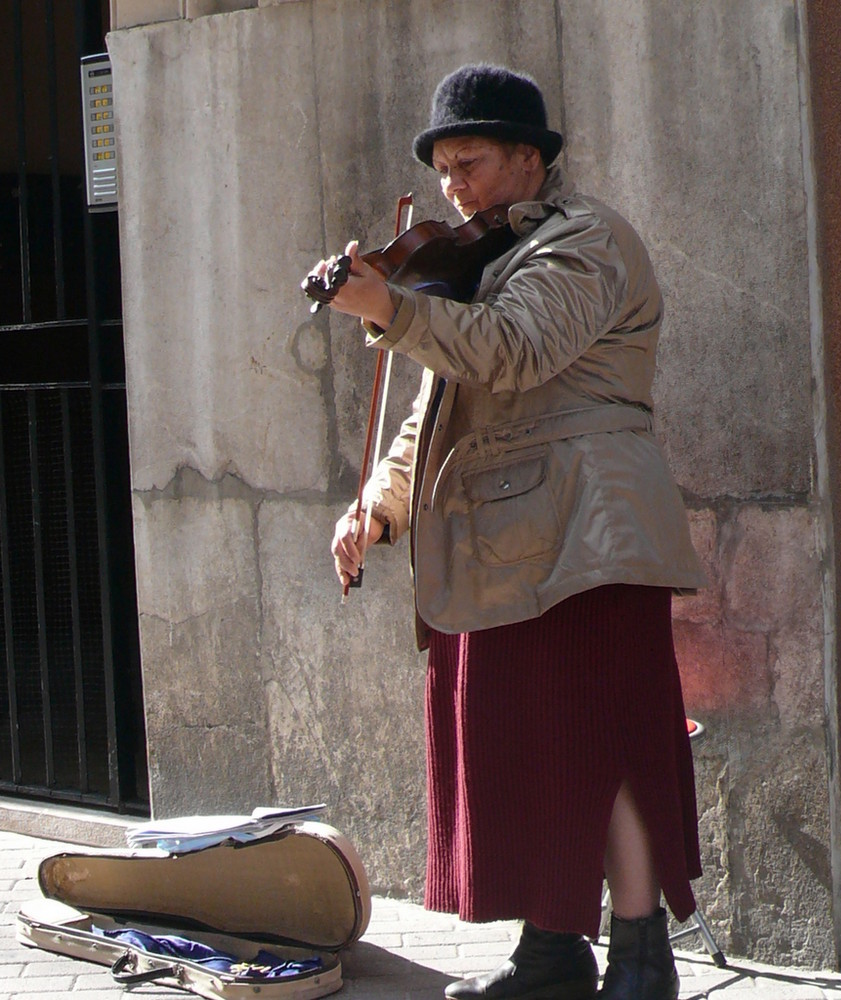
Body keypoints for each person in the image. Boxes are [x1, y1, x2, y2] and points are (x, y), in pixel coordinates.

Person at [310, 63, 705, 1000]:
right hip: (499, 547)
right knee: (529, 750)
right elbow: (435, 412)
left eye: (472, 162)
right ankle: (553, 954)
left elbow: (517, 350)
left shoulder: (591, 242)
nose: (455, 188)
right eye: (444, 169)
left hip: (587, 538)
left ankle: (644, 956)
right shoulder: (473, 265)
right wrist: (379, 503)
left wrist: (392, 310)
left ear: (530, 160)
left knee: (605, 746)